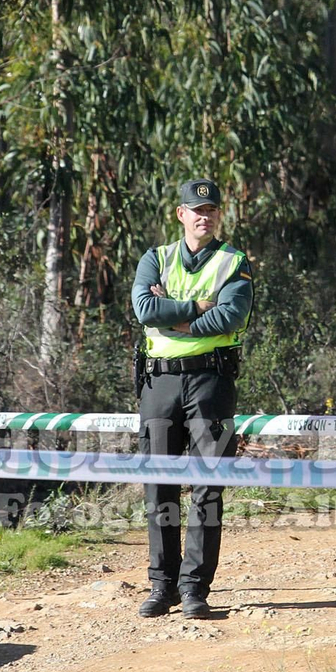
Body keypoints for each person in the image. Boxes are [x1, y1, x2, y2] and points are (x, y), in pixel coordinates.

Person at [130, 179, 253, 620]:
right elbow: (145, 310)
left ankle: (195, 588)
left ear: (219, 215)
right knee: (159, 485)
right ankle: (161, 586)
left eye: (212, 209)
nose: (205, 216)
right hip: (159, 384)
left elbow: (231, 315)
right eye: (196, 209)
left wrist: (176, 318)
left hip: (210, 383)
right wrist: (198, 307)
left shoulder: (233, 261)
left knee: (206, 487)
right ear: (180, 214)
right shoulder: (156, 258)